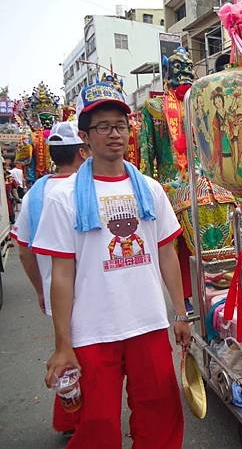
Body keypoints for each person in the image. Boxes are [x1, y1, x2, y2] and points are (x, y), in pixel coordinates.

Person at [32, 82, 190, 449]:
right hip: (92, 331)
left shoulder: (150, 189)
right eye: (102, 126)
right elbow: (62, 273)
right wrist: (62, 344)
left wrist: (181, 313)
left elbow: (167, 252)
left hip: (148, 323)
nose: (113, 133)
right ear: (85, 137)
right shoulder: (63, 197)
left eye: (119, 124)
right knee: (98, 423)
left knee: (161, 413)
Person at [10, 121, 88, 436]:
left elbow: (24, 251)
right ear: (82, 152)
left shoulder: (35, 194)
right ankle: (83, 422)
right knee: (90, 360)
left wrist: (42, 290)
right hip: (94, 292)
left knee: (68, 353)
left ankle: (72, 419)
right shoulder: (88, 186)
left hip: (58, 294)